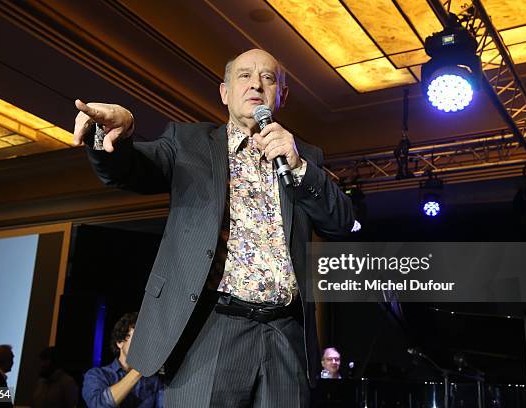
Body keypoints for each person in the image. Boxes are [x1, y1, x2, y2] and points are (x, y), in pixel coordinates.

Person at [73, 48, 356, 407]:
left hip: (286, 333)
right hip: (211, 328)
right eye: (244, 76)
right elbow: (129, 169)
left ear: (280, 96)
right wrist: (114, 133)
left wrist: (300, 167)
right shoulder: (188, 143)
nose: (256, 83)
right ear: (224, 92)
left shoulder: (304, 157)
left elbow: (342, 222)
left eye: (268, 78)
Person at [82, 312, 163, 408]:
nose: (142, 345)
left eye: (145, 340)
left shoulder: (154, 381)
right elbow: (98, 405)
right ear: (120, 342)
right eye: (137, 338)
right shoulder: (97, 375)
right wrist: (139, 369)